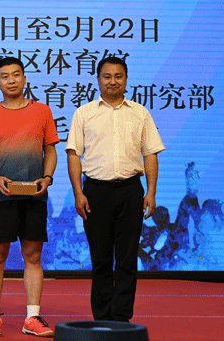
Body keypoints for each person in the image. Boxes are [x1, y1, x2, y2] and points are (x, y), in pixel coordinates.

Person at [66, 56, 164, 322]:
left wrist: (151, 192)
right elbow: (74, 155)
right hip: (95, 192)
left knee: (127, 258)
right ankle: (102, 317)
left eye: (118, 76)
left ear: (126, 80)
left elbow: (150, 154)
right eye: (107, 76)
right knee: (100, 258)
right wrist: (78, 192)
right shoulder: (84, 113)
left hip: (131, 191)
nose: (113, 81)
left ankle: (121, 318)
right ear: (98, 80)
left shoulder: (140, 113)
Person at [0, 57, 58, 337]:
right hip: (1, 195)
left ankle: (32, 318)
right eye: (5, 76)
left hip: (34, 195)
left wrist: (47, 177)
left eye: (16, 74)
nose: (11, 80)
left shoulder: (42, 111)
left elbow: (50, 149)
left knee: (33, 255)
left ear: (25, 79)